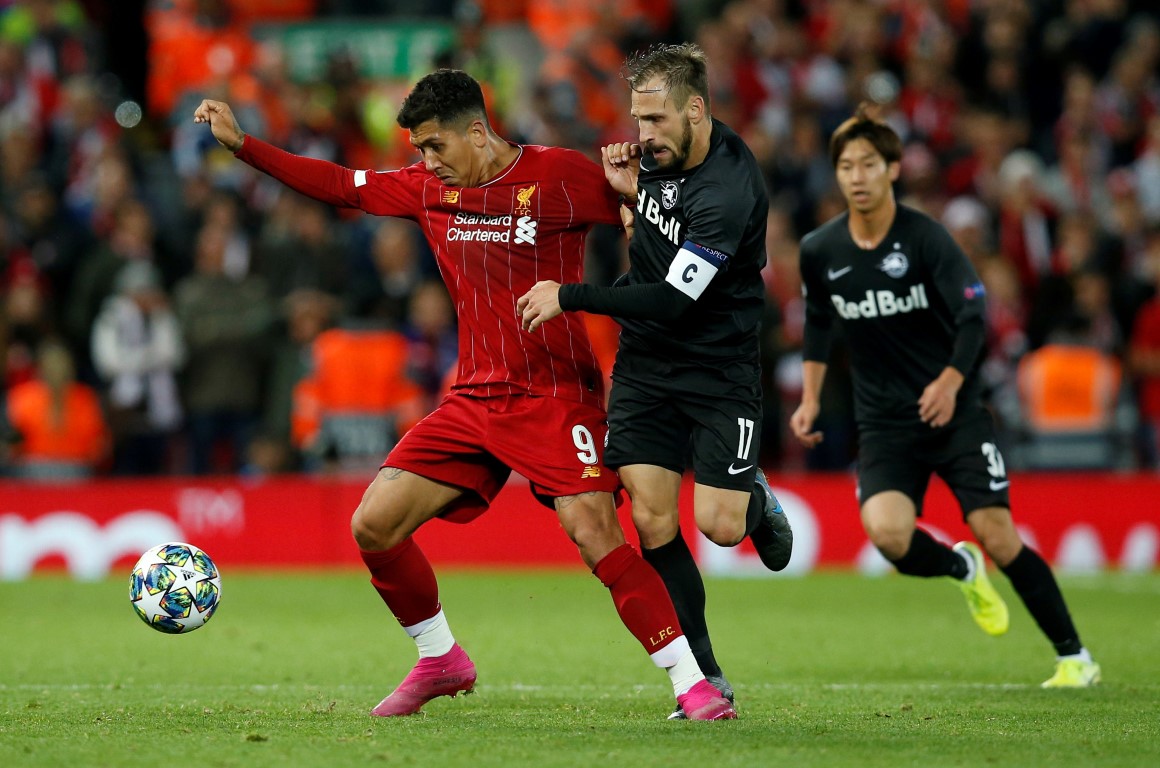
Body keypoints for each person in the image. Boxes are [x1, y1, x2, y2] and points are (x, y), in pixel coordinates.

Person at [195, 69, 735, 720]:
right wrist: (243, 145)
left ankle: (692, 682)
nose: (426, 163)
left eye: (435, 147)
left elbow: (657, 226)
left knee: (593, 529)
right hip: (474, 398)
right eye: (419, 149)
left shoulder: (560, 176)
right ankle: (440, 658)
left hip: (555, 394)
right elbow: (341, 186)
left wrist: (636, 205)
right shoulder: (427, 189)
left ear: (477, 132)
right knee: (373, 524)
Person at [517, 43, 793, 718]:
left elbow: (674, 297)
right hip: (645, 367)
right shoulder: (653, 166)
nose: (644, 137)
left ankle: (754, 498)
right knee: (649, 514)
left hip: (718, 368)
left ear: (696, 110)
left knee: (722, 528)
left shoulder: (729, 189)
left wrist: (572, 295)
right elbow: (653, 241)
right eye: (638, 119)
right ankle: (705, 673)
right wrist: (631, 200)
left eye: (658, 121)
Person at [789, 104, 1099, 688]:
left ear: (894, 170)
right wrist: (809, 398)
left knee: (998, 532)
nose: (856, 176)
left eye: (868, 164)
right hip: (883, 422)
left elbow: (974, 312)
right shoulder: (821, 250)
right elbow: (818, 327)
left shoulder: (925, 237)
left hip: (953, 415)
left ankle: (1074, 656)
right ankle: (960, 566)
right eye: (846, 166)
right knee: (889, 536)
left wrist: (952, 380)